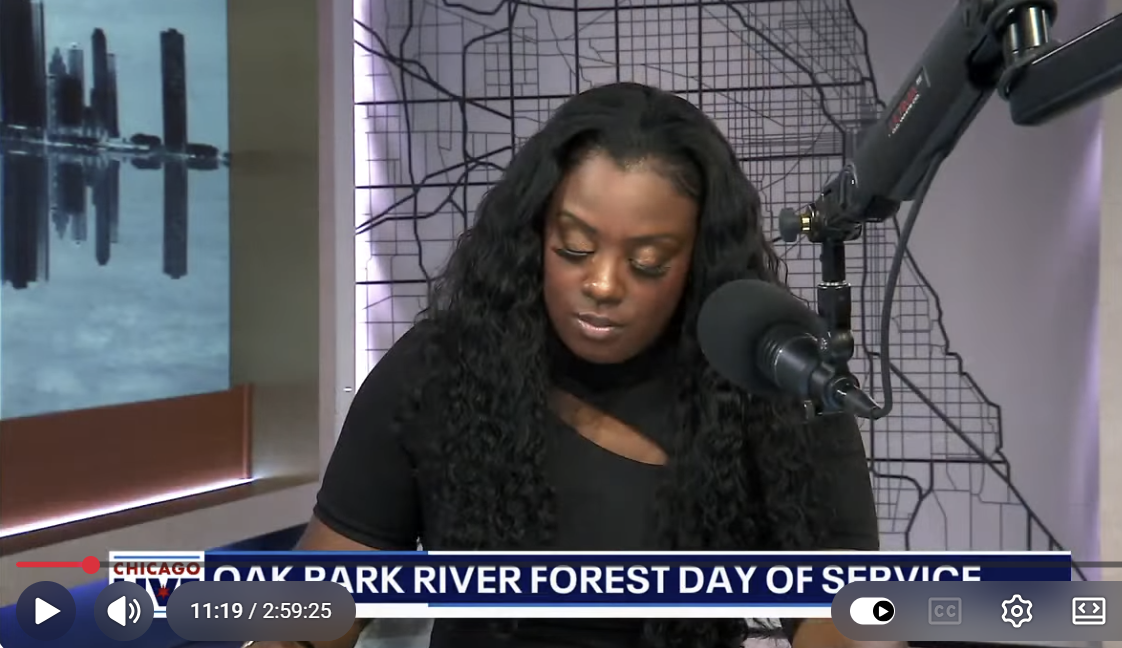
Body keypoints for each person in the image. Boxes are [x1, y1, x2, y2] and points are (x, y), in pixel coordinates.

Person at [248, 82, 902, 648]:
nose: (603, 284)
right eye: (574, 248)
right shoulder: (437, 370)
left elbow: (845, 618)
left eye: (647, 262)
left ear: (698, 261)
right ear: (536, 233)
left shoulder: (773, 377)